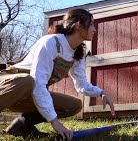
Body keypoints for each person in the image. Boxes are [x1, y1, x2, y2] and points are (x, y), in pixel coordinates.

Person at [0, 8, 115, 140]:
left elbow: (81, 84)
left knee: (73, 105)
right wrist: (56, 123)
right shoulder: (51, 42)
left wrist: (101, 92)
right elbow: (38, 83)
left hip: (28, 93)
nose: (94, 29)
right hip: (8, 84)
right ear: (78, 25)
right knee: (27, 81)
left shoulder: (78, 53)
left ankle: (22, 126)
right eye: (91, 24)